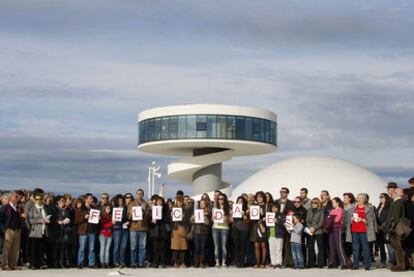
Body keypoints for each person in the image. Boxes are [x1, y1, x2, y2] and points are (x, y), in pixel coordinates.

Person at [346, 193, 376, 270]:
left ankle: (367, 265)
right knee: (355, 248)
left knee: (365, 248)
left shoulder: (369, 208)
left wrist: (362, 220)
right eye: (358, 197)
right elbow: (348, 219)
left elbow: (371, 220)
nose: (359, 199)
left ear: (365, 199)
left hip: (364, 231)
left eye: (361, 198)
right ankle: (355, 265)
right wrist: (351, 219)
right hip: (354, 230)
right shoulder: (353, 208)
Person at [0, 190, 25, 270]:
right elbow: (1, 220)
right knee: (6, 249)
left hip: (17, 230)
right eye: (16, 196)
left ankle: (13, 264)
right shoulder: (5, 207)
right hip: (9, 230)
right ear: (10, 197)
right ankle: (5, 265)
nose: (17, 198)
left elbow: (21, 218)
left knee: (16, 249)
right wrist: (4, 230)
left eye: (18, 197)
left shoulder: (19, 208)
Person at [127, 188, 150, 268]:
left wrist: (144, 212)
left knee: (142, 248)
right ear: (136, 195)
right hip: (134, 228)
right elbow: (128, 216)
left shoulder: (146, 204)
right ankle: (133, 263)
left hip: (143, 228)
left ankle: (141, 263)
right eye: (138, 194)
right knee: (133, 247)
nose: (139, 195)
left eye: (141, 194)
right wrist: (131, 214)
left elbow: (148, 216)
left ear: (143, 195)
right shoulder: (132, 203)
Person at [386, 188, 406, 271]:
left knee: (398, 248)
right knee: (397, 248)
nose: (392, 193)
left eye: (394, 192)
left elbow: (395, 217)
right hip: (395, 228)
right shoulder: (397, 202)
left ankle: (400, 266)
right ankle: (400, 265)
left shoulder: (398, 202)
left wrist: (391, 227)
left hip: (395, 229)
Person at [149, 196, 171, 268]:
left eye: (161, 201)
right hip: (155, 231)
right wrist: (152, 221)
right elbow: (149, 220)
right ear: (156, 202)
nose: (159, 202)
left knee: (163, 248)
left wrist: (162, 217)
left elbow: (168, 219)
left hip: (163, 231)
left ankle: (163, 262)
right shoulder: (152, 210)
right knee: (155, 248)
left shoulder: (165, 210)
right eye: (158, 201)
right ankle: (155, 262)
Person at [326, 197, 347, 269]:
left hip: (337, 229)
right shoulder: (332, 210)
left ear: (338, 202)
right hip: (331, 229)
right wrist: (331, 218)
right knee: (332, 246)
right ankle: (332, 262)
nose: (333, 204)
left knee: (339, 245)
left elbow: (337, 220)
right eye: (332, 203)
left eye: (334, 202)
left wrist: (331, 218)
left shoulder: (340, 210)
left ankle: (344, 262)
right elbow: (328, 219)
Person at [275, 187, 294, 267]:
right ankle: (276, 261)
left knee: (287, 244)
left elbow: (291, 213)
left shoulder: (291, 203)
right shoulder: (275, 202)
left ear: (287, 193)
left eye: (284, 192)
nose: (282, 193)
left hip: (286, 226)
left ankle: (286, 262)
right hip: (276, 227)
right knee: (276, 244)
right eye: (281, 191)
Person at [191, 198, 211, 268]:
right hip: (196, 231)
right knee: (197, 247)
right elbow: (191, 221)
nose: (202, 204)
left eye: (203, 203)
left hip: (204, 231)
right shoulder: (196, 211)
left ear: (205, 204)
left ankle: (202, 262)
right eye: (201, 203)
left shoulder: (208, 212)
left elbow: (208, 223)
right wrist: (193, 217)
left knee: (203, 247)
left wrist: (205, 218)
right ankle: (196, 262)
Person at [212, 193, 230, 267]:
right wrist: (213, 218)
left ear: (224, 199)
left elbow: (230, 220)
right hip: (215, 227)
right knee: (216, 246)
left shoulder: (228, 208)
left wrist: (226, 219)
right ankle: (217, 262)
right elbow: (212, 219)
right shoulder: (214, 208)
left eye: (222, 199)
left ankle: (223, 262)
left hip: (224, 228)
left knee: (223, 246)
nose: (220, 200)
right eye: (219, 199)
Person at [171, 195, 190, 268]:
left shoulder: (186, 209)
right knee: (175, 247)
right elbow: (169, 220)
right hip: (175, 229)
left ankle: (182, 263)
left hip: (183, 229)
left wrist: (184, 217)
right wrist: (171, 216)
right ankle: (175, 262)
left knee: (183, 247)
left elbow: (188, 221)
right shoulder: (173, 209)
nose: (179, 202)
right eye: (178, 201)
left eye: (181, 201)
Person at [305, 197, 325, 268]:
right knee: (310, 247)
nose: (313, 204)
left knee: (320, 248)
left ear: (318, 203)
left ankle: (320, 264)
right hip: (310, 231)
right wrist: (310, 228)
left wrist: (314, 228)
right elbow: (307, 220)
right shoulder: (309, 210)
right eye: (312, 202)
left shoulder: (321, 210)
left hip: (318, 231)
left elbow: (321, 222)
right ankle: (311, 263)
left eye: (315, 203)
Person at [231, 196, 249, 268]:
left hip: (244, 227)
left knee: (243, 245)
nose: (240, 202)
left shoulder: (246, 210)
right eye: (238, 201)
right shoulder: (234, 209)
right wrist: (232, 214)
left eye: (241, 201)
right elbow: (231, 220)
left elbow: (247, 220)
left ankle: (242, 261)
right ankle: (237, 261)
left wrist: (244, 214)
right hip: (235, 227)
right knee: (236, 244)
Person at [250, 191, 268, 268]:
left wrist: (264, 217)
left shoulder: (266, 206)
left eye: (260, 196)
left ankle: (263, 263)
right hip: (255, 226)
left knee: (263, 244)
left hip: (263, 226)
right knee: (256, 245)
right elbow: (251, 217)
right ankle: (257, 262)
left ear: (263, 197)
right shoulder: (254, 206)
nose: (259, 198)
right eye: (257, 197)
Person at [112, 194, 129, 268]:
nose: (120, 202)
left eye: (121, 201)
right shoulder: (114, 209)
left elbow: (128, 217)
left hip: (125, 228)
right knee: (116, 246)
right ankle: (115, 261)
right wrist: (112, 221)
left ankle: (122, 262)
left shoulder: (126, 208)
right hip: (117, 228)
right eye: (119, 201)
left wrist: (128, 221)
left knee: (123, 246)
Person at [267, 202, 286, 268]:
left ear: (278, 208)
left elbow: (284, 224)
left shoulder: (282, 215)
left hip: (279, 234)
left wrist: (277, 221)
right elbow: (267, 225)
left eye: (275, 208)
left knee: (279, 249)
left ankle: (278, 263)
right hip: (271, 233)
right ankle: (273, 262)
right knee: (272, 249)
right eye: (273, 208)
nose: (274, 209)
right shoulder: (269, 215)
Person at [376, 193, 392, 268]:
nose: (380, 198)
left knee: (389, 245)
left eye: (382, 197)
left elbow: (389, 217)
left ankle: (392, 261)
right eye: (380, 197)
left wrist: (383, 226)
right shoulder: (379, 206)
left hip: (386, 229)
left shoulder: (389, 207)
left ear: (386, 198)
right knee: (381, 245)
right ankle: (383, 261)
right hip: (379, 229)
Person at [342, 192, 355, 267]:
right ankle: (346, 260)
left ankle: (350, 260)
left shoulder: (353, 207)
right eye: (344, 198)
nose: (344, 199)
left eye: (346, 198)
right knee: (344, 245)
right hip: (343, 229)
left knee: (350, 245)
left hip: (350, 229)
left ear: (350, 199)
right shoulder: (342, 207)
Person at [99, 204, 113, 268]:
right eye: (108, 209)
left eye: (109, 209)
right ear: (104, 209)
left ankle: (107, 262)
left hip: (109, 234)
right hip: (103, 234)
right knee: (103, 249)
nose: (109, 210)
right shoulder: (102, 216)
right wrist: (112, 223)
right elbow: (104, 225)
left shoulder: (110, 216)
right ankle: (102, 262)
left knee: (107, 249)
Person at [405, 190, 414, 270]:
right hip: (409, 228)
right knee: (409, 246)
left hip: (410, 228)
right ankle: (409, 263)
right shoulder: (407, 204)